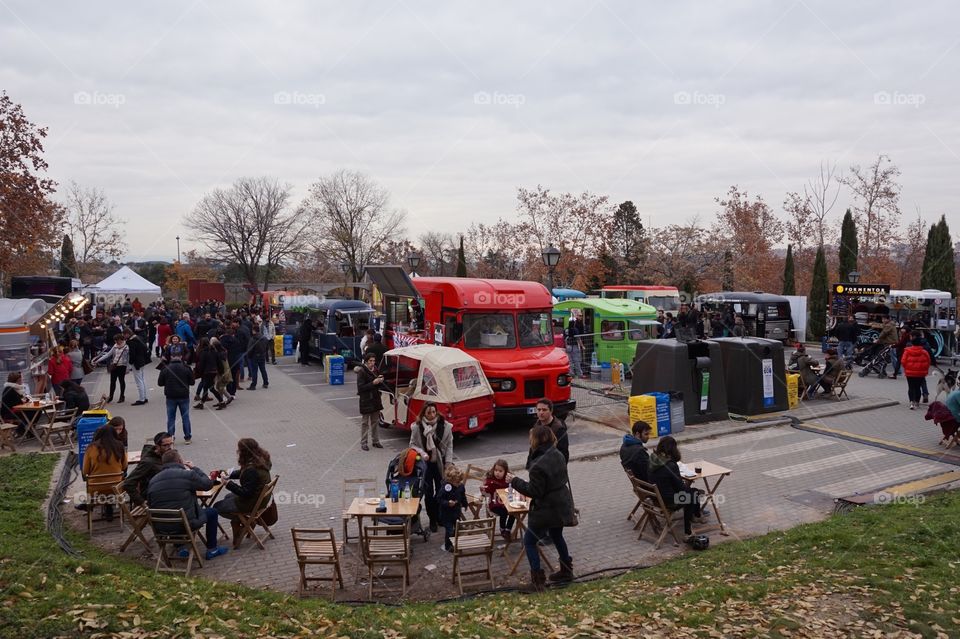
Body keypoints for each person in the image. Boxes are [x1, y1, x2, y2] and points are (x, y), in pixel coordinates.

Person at [506, 424, 576, 592]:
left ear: (536, 439)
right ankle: (566, 571)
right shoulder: (557, 454)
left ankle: (537, 581)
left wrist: (514, 481)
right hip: (561, 503)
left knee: (529, 541)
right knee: (557, 535)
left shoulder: (538, 464)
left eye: (531, 438)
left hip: (547, 508)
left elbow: (534, 491)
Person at [146, 449, 229, 560]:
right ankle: (212, 549)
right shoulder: (188, 474)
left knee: (174, 509)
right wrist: (194, 468)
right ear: (180, 461)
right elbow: (207, 484)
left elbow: (151, 503)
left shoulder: (153, 480)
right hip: (185, 524)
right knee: (212, 512)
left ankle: (181, 548)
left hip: (162, 527)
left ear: (163, 463)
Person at [214, 438, 273, 546]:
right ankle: (244, 522)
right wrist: (227, 474)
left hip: (252, 502)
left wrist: (228, 484)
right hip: (262, 499)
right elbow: (243, 473)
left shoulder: (251, 469)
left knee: (217, 507)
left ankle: (245, 524)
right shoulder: (260, 459)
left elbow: (246, 493)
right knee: (228, 497)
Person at [409, 401, 453, 532]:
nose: (432, 415)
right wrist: (422, 453)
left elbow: (449, 445)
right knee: (428, 493)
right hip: (426, 465)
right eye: (429, 413)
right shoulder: (417, 427)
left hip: (440, 463)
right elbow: (412, 444)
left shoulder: (445, 426)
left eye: (434, 412)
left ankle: (440, 517)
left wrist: (448, 464)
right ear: (424, 413)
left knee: (441, 492)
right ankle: (432, 520)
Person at [648, 436, 702, 539]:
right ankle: (688, 531)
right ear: (673, 449)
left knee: (693, 492)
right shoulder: (671, 465)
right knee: (694, 494)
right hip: (669, 501)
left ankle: (696, 516)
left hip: (655, 498)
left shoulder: (652, 459)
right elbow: (681, 489)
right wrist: (687, 483)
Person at [81, 425, 128, 520]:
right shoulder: (120, 446)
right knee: (117, 481)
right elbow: (124, 467)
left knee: (96, 484)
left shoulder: (91, 448)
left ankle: (93, 505)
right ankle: (109, 507)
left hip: (95, 489)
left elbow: (85, 471)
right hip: (116, 489)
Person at [122, 431, 174, 506]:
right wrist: (141, 501)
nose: (169, 448)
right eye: (165, 445)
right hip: (155, 497)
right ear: (157, 446)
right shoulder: (148, 462)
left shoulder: (168, 455)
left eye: (170, 444)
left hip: (167, 491)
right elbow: (128, 483)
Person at [158, 354, 196, 444]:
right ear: (181, 357)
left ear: (171, 357)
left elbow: (160, 383)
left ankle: (170, 437)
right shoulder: (186, 368)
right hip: (184, 396)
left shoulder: (165, 368)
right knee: (185, 417)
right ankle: (187, 437)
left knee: (171, 418)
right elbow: (192, 382)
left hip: (170, 396)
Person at [527, 398, 568, 467]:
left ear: (551, 411)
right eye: (539, 410)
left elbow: (564, 453)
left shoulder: (559, 429)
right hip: (538, 468)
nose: (541, 412)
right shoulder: (536, 425)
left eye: (544, 410)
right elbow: (532, 447)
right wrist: (529, 465)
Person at [356, 353, 384, 451]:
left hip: (375, 399)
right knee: (365, 422)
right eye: (370, 361)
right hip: (366, 400)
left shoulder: (376, 370)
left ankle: (376, 441)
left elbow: (379, 386)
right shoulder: (362, 372)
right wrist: (373, 383)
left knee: (375, 421)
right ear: (366, 361)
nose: (372, 363)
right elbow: (361, 388)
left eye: (373, 361)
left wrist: (380, 381)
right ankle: (364, 442)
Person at [437, 465, 467, 552]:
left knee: (456, 528)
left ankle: (454, 542)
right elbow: (439, 499)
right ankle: (448, 546)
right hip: (446, 514)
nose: (458, 484)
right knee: (449, 530)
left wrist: (465, 504)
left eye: (459, 482)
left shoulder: (460, 486)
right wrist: (447, 503)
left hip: (456, 512)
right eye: (456, 482)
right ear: (450, 480)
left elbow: (463, 495)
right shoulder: (445, 487)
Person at [483, 459, 515, 540]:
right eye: (496, 470)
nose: (497, 472)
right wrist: (483, 489)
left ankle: (508, 529)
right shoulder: (491, 480)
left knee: (514, 512)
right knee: (503, 512)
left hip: (506, 502)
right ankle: (502, 529)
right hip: (494, 503)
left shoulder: (507, 479)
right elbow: (486, 492)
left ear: (505, 471)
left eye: (500, 471)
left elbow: (513, 489)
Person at [94, 334, 129, 403]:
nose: (116, 342)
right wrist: (98, 360)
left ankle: (122, 396)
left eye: (117, 340)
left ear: (121, 340)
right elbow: (108, 354)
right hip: (114, 365)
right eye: (115, 341)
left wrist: (128, 368)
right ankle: (111, 396)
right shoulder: (115, 346)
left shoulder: (126, 347)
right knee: (112, 382)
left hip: (122, 366)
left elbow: (128, 358)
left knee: (121, 381)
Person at [901, 332, 932, 410]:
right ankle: (917, 403)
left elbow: (903, 361)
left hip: (909, 373)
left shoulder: (907, 351)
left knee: (911, 387)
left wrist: (907, 368)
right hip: (920, 374)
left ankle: (911, 402)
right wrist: (924, 370)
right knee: (918, 388)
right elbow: (928, 362)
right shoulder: (924, 352)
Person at [193, 337, 226, 410]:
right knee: (207, 388)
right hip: (213, 371)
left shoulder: (203, 352)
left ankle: (222, 402)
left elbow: (201, 364)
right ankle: (202, 403)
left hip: (206, 372)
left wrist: (199, 372)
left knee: (210, 389)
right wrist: (221, 371)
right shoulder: (214, 351)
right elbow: (219, 362)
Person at [126, 328, 151, 406]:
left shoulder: (131, 342)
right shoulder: (139, 338)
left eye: (124, 334)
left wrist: (130, 363)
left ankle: (141, 399)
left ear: (127, 334)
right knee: (142, 379)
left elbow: (132, 354)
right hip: (142, 361)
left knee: (138, 381)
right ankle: (144, 397)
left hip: (136, 363)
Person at [1, 372, 30, 437]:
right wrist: (25, 400)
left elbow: (23, 400)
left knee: (36, 412)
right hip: (9, 413)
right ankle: (20, 430)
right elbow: (20, 402)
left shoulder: (16, 388)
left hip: (15, 410)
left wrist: (25, 399)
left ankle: (27, 430)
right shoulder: (10, 389)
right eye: (21, 379)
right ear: (17, 380)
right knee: (31, 412)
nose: (22, 380)